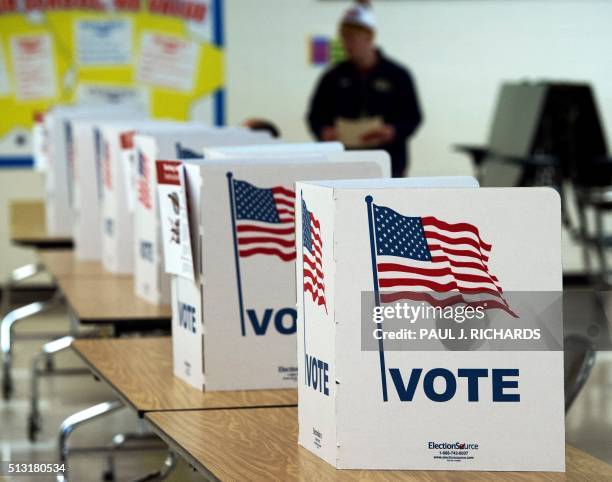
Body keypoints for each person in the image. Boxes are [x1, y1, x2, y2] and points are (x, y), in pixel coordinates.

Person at [307, 2, 422, 177]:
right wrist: (324, 132)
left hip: (389, 162)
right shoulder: (332, 77)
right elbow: (315, 115)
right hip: (344, 162)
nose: (347, 44)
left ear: (369, 37)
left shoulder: (398, 75)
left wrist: (394, 131)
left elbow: (413, 116)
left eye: (352, 38)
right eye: (344, 37)